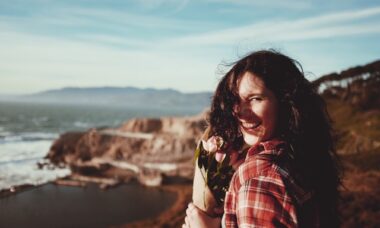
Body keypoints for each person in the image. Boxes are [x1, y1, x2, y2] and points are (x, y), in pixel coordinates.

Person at [183, 50, 341, 227]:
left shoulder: (260, 176)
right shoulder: (303, 158)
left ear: (285, 102)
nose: (241, 113)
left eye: (255, 98)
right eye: (236, 100)